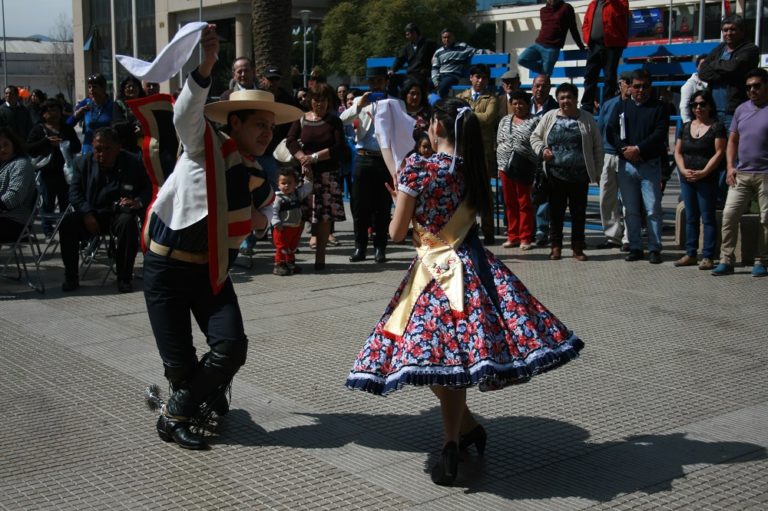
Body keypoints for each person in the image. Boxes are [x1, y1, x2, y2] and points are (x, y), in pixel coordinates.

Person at [345, 97, 584, 486]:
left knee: (432, 356)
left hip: (433, 275)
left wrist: (399, 206)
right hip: (476, 270)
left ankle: (451, 443)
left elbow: (395, 232)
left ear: (437, 128)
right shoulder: (473, 168)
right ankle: (466, 429)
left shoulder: (417, 168)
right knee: (453, 359)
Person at [142, 25, 303, 450]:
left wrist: (260, 220)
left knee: (231, 348)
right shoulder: (204, 144)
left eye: (272, 126)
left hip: (211, 272)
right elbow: (183, 115)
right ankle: (189, 401)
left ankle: (177, 410)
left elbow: (270, 209)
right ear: (235, 123)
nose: (269, 133)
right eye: (260, 125)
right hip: (166, 267)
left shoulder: (257, 173)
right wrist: (208, 65)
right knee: (179, 366)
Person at [59, 127, 149, 292]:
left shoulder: (133, 162)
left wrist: (138, 202)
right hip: (92, 213)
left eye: (107, 149)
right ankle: (71, 277)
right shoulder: (82, 163)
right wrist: (86, 212)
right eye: (97, 149)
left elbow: (147, 188)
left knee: (127, 224)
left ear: (117, 147)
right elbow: (74, 192)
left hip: (118, 214)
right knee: (67, 224)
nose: (101, 154)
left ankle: (124, 278)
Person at [531, 82, 603, 261]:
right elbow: (535, 137)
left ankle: (578, 248)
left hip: (580, 176)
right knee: (556, 214)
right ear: (557, 99)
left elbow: (597, 147)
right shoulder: (549, 116)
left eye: (569, 97)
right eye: (562, 97)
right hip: (555, 175)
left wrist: (598, 171)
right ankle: (556, 247)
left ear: (576, 99)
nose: (566, 101)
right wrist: (542, 150)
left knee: (579, 213)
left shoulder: (587, 118)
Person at [607, 69, 669, 264]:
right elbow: (611, 132)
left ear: (650, 87)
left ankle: (654, 248)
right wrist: (624, 149)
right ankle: (635, 246)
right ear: (630, 87)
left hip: (649, 165)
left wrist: (639, 149)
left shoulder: (660, 107)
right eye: (637, 86)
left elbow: (660, 134)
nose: (641, 90)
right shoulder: (621, 107)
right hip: (626, 166)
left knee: (652, 209)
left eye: (645, 86)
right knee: (631, 210)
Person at [711, 68, 768, 277]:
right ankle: (726, 259)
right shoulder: (741, 110)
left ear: (766, 85)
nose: (752, 90)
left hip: (765, 174)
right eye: (748, 87)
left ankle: (761, 260)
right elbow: (732, 140)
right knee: (729, 214)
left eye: (757, 86)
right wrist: (729, 166)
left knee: (766, 219)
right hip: (741, 173)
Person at [340, 67, 399, 263]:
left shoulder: (395, 102)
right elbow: (342, 120)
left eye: (379, 81)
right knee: (359, 206)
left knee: (382, 206)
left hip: (384, 158)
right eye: (372, 81)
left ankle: (380, 248)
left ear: (385, 83)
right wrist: (359, 106)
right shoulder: (360, 101)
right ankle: (360, 247)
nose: (375, 85)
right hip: (363, 157)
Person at [286, 83, 347, 270]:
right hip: (305, 176)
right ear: (310, 100)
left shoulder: (334, 122)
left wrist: (313, 158)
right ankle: (288, 257)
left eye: (323, 99)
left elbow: (338, 148)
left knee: (324, 218)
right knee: (297, 215)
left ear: (329, 101)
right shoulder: (301, 119)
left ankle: (320, 259)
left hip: (327, 176)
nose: (319, 103)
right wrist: (303, 159)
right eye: (315, 99)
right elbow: (290, 141)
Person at [673, 90, 726, 271]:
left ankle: (708, 255)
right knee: (691, 217)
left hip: (707, 178)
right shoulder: (686, 127)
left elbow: (719, 153)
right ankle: (691, 253)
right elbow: (678, 151)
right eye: (695, 104)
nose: (698, 108)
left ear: (710, 106)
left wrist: (703, 172)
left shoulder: (716, 127)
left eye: (702, 104)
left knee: (708, 217)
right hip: (687, 177)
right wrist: (682, 169)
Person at [456, 64, 500, 245]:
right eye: (477, 76)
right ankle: (468, 229)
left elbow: (488, 118)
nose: (480, 80)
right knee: (464, 193)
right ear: (471, 78)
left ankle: (488, 231)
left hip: (484, 152)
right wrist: (474, 115)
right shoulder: (461, 97)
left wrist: (467, 113)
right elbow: (455, 117)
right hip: (464, 151)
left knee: (486, 194)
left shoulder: (492, 99)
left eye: (484, 77)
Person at [26, 98, 82, 237]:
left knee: (66, 202)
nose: (53, 114)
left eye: (56, 110)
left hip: (65, 173)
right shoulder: (38, 129)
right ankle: (47, 229)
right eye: (49, 111)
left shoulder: (66, 129)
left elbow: (77, 146)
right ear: (43, 114)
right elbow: (29, 148)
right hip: (46, 172)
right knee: (47, 202)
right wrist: (46, 142)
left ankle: (65, 227)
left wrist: (65, 144)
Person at [697, 15, 760, 129]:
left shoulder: (750, 49)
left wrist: (714, 64)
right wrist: (726, 72)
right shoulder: (720, 49)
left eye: (733, 29)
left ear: (742, 31)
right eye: (725, 30)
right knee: (717, 146)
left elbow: (734, 67)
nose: (728, 33)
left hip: (735, 111)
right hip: (713, 110)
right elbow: (702, 72)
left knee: (733, 145)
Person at [496, 90, 540, 250]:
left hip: (524, 166)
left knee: (524, 202)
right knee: (509, 203)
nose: (518, 106)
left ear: (528, 104)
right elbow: (499, 140)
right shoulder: (505, 120)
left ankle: (525, 237)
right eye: (514, 103)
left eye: (521, 103)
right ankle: (512, 236)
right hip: (504, 167)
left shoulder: (535, 121)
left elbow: (537, 143)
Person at [595, 71, 631, 250]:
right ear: (620, 84)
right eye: (627, 82)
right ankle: (612, 236)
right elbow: (599, 130)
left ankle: (628, 238)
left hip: (629, 156)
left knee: (628, 198)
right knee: (606, 198)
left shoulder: (637, 105)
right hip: (608, 155)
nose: (630, 86)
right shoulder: (609, 105)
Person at [579, 0, 629, 113]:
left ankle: (608, 105)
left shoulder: (620, 2)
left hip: (612, 46)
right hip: (594, 46)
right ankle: (587, 105)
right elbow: (586, 23)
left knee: (609, 77)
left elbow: (622, 10)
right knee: (590, 75)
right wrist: (587, 38)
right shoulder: (592, 4)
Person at [518, 0, 585, 78]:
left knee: (545, 77)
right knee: (521, 59)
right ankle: (544, 71)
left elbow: (573, 28)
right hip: (538, 44)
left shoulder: (566, 8)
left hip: (552, 48)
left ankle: (545, 72)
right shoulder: (543, 10)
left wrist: (580, 45)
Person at [529, 74, 558, 247]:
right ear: (532, 87)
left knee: (543, 195)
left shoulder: (554, 107)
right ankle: (527, 229)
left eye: (544, 86)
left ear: (549, 88)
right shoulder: (523, 103)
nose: (540, 89)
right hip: (525, 156)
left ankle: (541, 231)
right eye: (537, 86)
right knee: (527, 193)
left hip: (545, 155)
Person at [271, 167, 313, 275]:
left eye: (290, 183)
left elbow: (307, 189)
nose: (286, 186)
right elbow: (273, 211)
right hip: (282, 228)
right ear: (278, 184)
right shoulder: (278, 198)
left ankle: (290, 263)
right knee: (281, 247)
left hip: (295, 227)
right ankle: (279, 265)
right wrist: (276, 223)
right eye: (283, 183)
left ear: (295, 184)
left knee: (292, 247)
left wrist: (307, 178)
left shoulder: (297, 195)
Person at [0, 127, 35, 243]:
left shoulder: (21, 164)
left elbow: (14, 196)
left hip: (16, 222)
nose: (2, 149)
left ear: (13, 144)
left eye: (6, 144)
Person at [69, 74, 114, 155]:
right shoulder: (85, 103)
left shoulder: (112, 105)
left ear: (103, 88)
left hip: (106, 150)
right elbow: (67, 125)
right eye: (89, 87)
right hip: (88, 150)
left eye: (95, 87)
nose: (91, 90)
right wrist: (77, 115)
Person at [388, 22, 437, 93]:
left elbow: (438, 53)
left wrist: (434, 58)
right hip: (410, 74)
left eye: (408, 34)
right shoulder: (407, 47)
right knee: (393, 79)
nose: (406, 37)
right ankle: (394, 100)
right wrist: (392, 70)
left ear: (414, 33)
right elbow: (400, 60)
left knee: (410, 84)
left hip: (422, 74)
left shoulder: (428, 43)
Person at [431, 29, 476, 98]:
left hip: (452, 75)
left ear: (453, 37)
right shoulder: (438, 52)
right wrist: (435, 81)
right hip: (440, 76)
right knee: (423, 83)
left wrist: (487, 51)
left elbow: (475, 51)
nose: (447, 39)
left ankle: (444, 106)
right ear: (442, 39)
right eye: (444, 37)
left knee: (443, 85)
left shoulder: (461, 47)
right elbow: (435, 68)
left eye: (449, 37)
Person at [112, 76, 146, 154]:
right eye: (128, 87)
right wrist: (133, 128)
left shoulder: (145, 103)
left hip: (145, 145)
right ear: (123, 90)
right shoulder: (118, 104)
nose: (131, 89)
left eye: (134, 86)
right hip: (126, 146)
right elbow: (116, 125)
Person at [679, 56, 708, 124]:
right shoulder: (690, 85)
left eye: (707, 65)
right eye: (702, 65)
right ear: (697, 68)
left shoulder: (711, 82)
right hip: (694, 123)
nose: (705, 67)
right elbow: (683, 106)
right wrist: (688, 125)